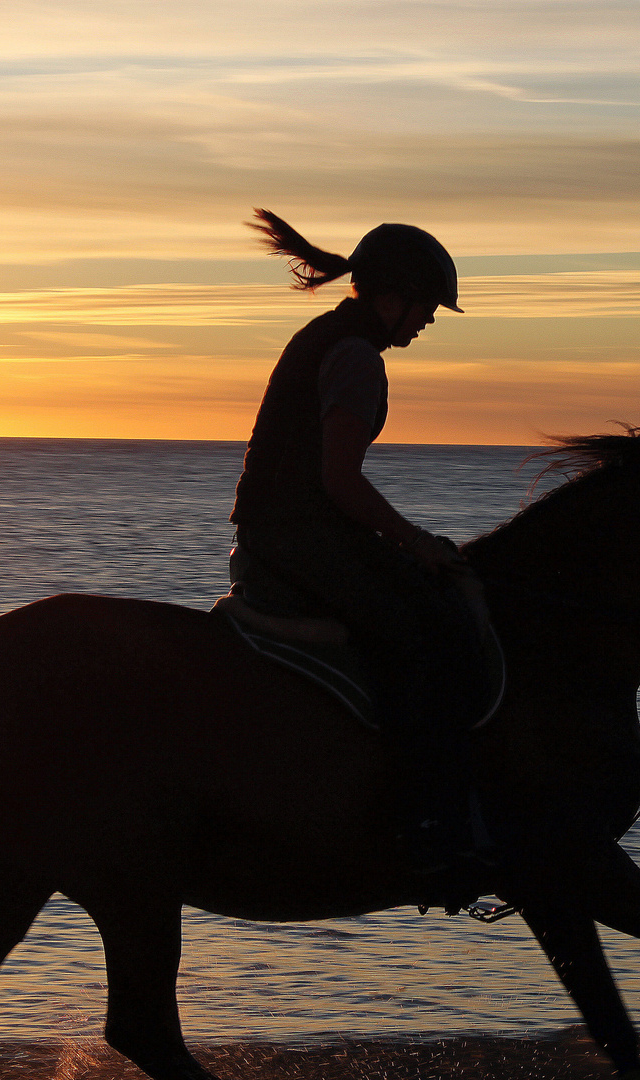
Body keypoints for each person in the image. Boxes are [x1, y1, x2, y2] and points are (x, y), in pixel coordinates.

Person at [224, 209, 495, 883]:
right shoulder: (356, 359)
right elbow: (339, 480)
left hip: (281, 529)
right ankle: (429, 827)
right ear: (390, 299)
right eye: (427, 306)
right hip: (298, 536)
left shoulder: (329, 337)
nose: (429, 320)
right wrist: (417, 543)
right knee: (431, 635)